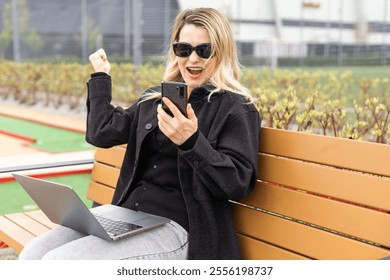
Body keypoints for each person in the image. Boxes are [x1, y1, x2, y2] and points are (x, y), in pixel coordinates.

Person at [19, 7, 260, 260]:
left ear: (221, 52)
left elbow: (238, 183)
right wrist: (101, 76)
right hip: (125, 217)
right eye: (183, 49)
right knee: (32, 255)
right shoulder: (154, 99)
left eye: (204, 50)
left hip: (178, 229)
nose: (192, 60)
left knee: (61, 263)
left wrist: (191, 142)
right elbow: (101, 134)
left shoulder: (236, 108)